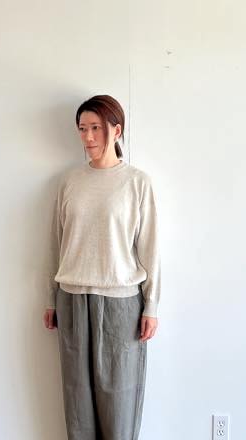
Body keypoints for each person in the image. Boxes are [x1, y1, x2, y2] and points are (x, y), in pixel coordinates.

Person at [42, 94, 161, 440]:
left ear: (116, 130)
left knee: (119, 403)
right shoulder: (69, 182)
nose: (88, 137)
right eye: (82, 129)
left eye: (96, 128)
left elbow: (150, 248)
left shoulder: (137, 182)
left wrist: (151, 305)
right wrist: (50, 298)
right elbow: (55, 243)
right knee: (77, 402)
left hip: (121, 303)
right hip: (72, 299)